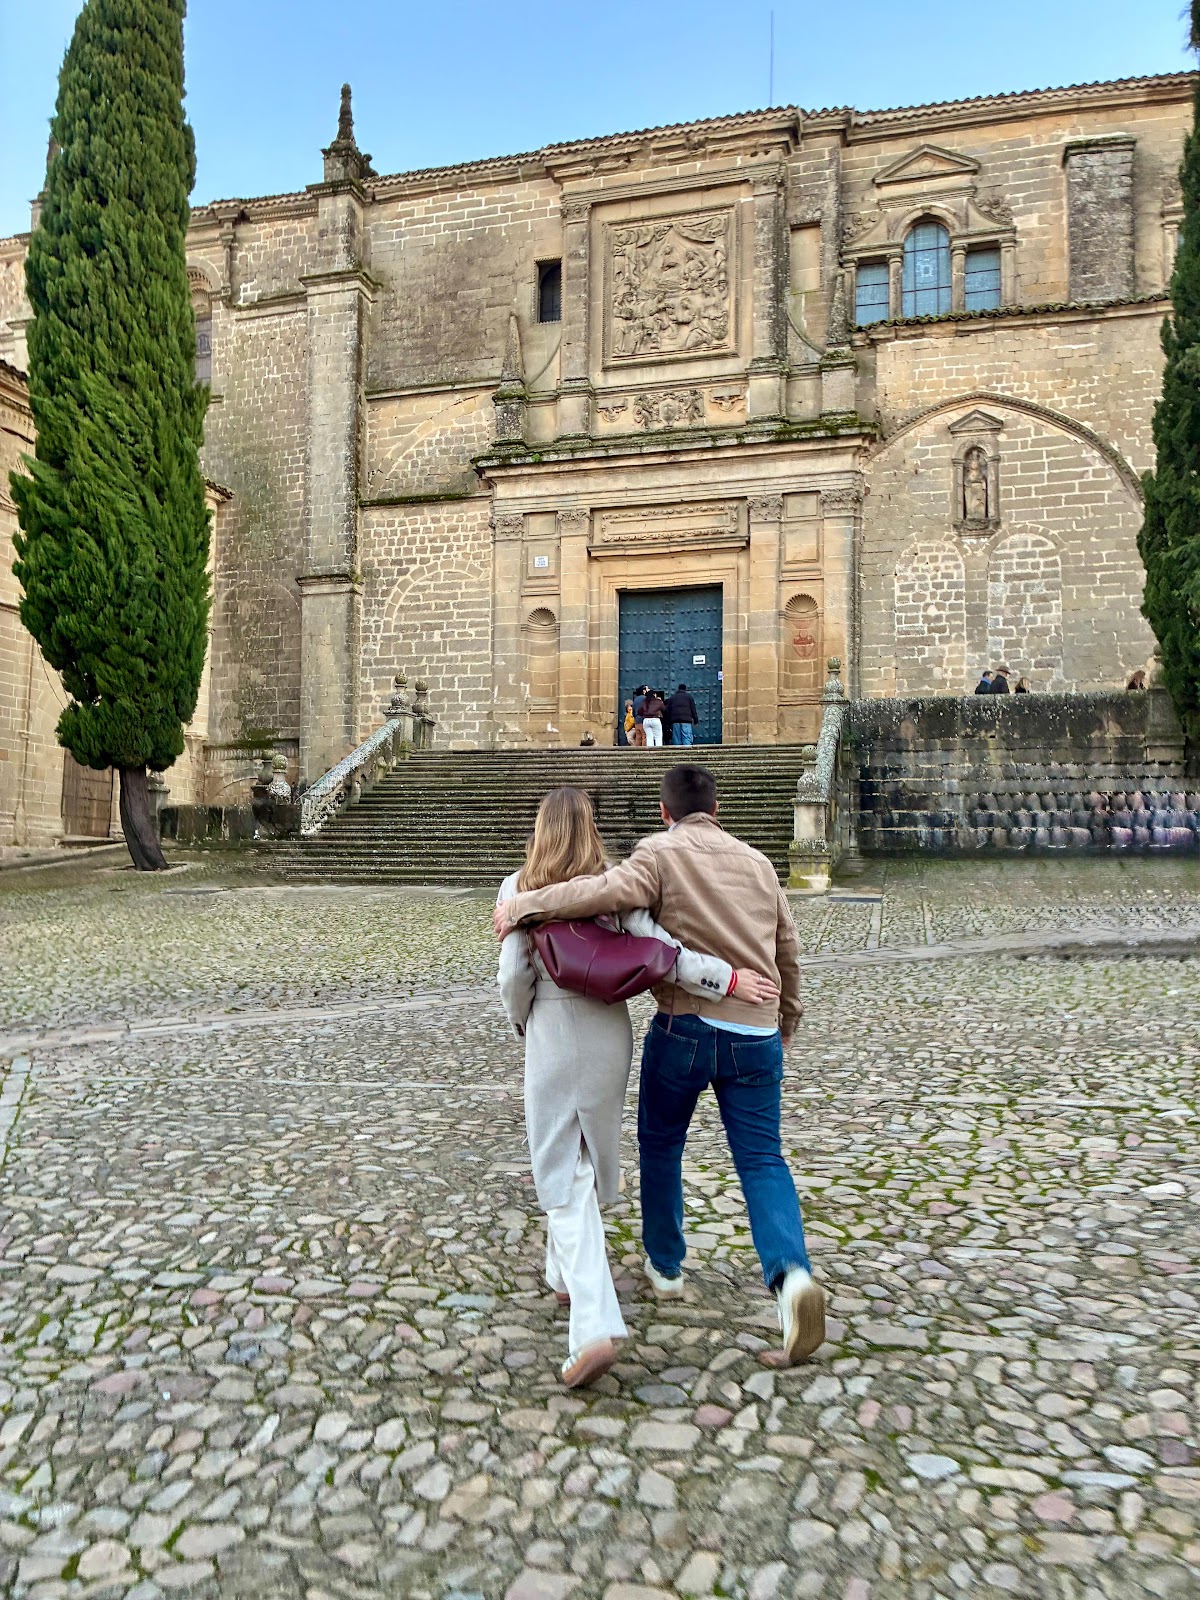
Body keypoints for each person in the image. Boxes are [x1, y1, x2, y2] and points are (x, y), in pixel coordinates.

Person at [495, 764, 825, 1366]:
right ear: (718, 811)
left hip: (685, 1027)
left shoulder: (656, 854)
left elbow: (595, 897)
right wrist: (785, 1020)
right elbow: (787, 950)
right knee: (762, 1158)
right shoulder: (758, 863)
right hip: (754, 1030)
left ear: (664, 812)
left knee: (661, 1145)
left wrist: (524, 904)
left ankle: (666, 1267)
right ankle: (792, 1277)